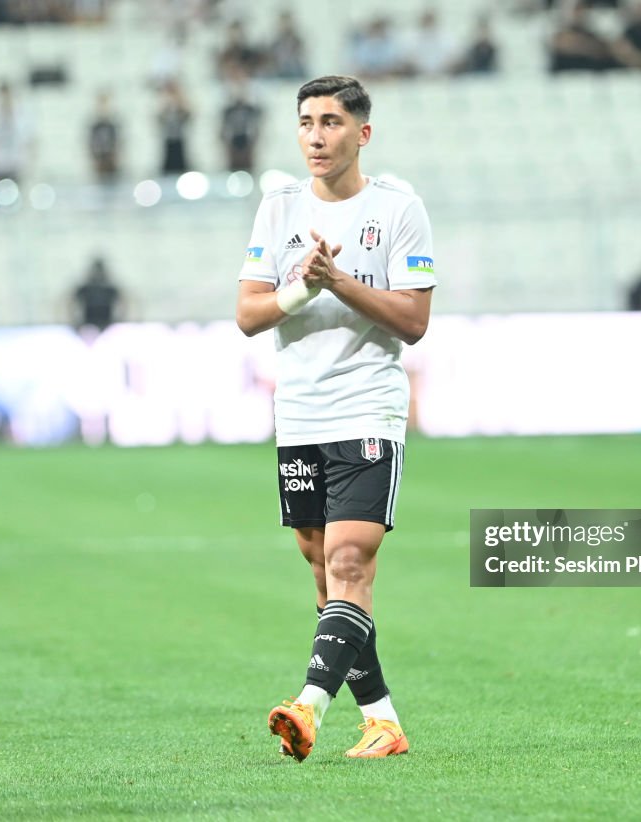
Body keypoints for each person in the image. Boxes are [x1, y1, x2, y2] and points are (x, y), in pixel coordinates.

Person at [235, 75, 436, 762]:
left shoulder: (398, 208)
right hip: (298, 415)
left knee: (351, 559)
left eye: (330, 122)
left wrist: (341, 281)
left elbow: (414, 322)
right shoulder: (279, 207)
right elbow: (248, 314)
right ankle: (383, 720)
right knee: (326, 574)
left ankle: (308, 706)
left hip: (366, 409)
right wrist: (302, 288)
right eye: (306, 123)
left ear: (362, 133)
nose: (315, 136)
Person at [71, 256, 124, 331]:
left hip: (107, 323)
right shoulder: (85, 288)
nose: (98, 274)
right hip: (88, 324)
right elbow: (71, 303)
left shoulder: (110, 289)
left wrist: (119, 320)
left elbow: (122, 304)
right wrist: (74, 321)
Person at [88, 90, 121, 182]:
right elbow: (92, 144)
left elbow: (117, 142)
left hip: (111, 160)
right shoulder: (95, 126)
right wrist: (95, 159)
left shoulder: (112, 125)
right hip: (100, 160)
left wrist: (115, 157)